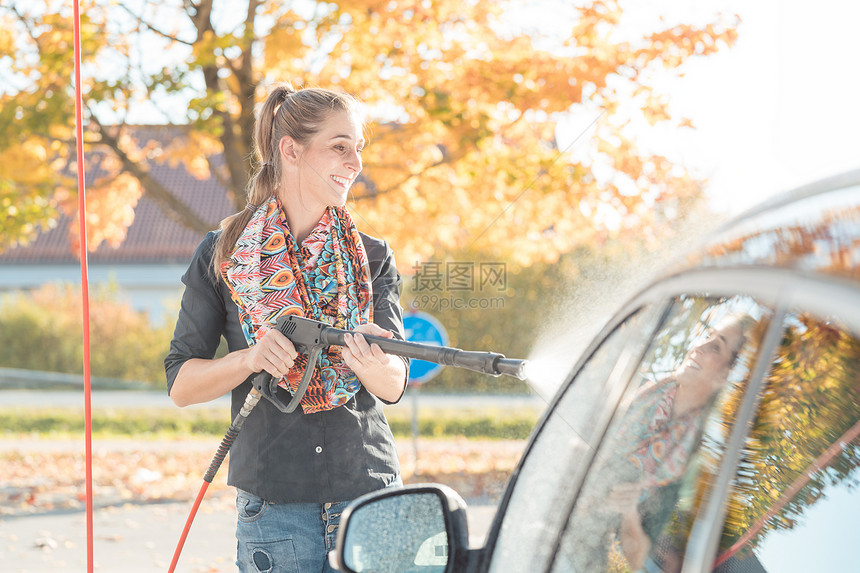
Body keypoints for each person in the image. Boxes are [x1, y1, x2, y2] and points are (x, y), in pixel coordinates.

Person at [164, 83, 409, 573]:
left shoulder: (373, 257)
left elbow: (394, 383)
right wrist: (249, 359)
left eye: (358, 148)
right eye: (340, 146)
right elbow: (181, 386)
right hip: (273, 506)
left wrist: (374, 364)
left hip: (367, 492)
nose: (355, 162)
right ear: (290, 150)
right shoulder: (226, 253)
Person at [568, 312, 754, 572]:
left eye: (715, 347)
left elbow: (638, 559)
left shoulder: (694, 466)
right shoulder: (635, 391)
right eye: (707, 335)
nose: (698, 346)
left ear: (727, 375)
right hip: (553, 521)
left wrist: (628, 511)